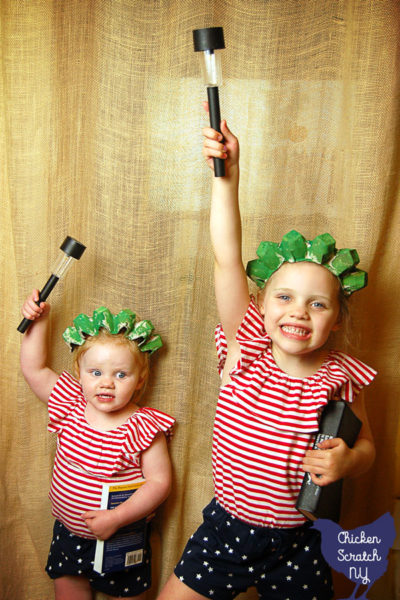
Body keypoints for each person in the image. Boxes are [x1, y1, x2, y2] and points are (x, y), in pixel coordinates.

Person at [157, 115, 376, 600]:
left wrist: (348, 462)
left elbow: (368, 450)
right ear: (260, 306)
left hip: (299, 543)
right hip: (226, 531)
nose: (299, 312)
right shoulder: (246, 347)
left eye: (317, 304)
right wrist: (227, 180)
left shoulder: (342, 378)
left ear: (336, 319)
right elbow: (226, 257)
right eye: (285, 298)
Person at [20, 292, 175, 600]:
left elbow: (160, 483)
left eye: (121, 374)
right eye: (95, 373)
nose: (107, 383)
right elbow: (34, 369)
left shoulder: (143, 427)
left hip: (121, 536)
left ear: (141, 379)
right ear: (78, 373)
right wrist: (38, 321)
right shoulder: (69, 404)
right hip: (69, 532)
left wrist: (117, 518)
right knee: (68, 590)